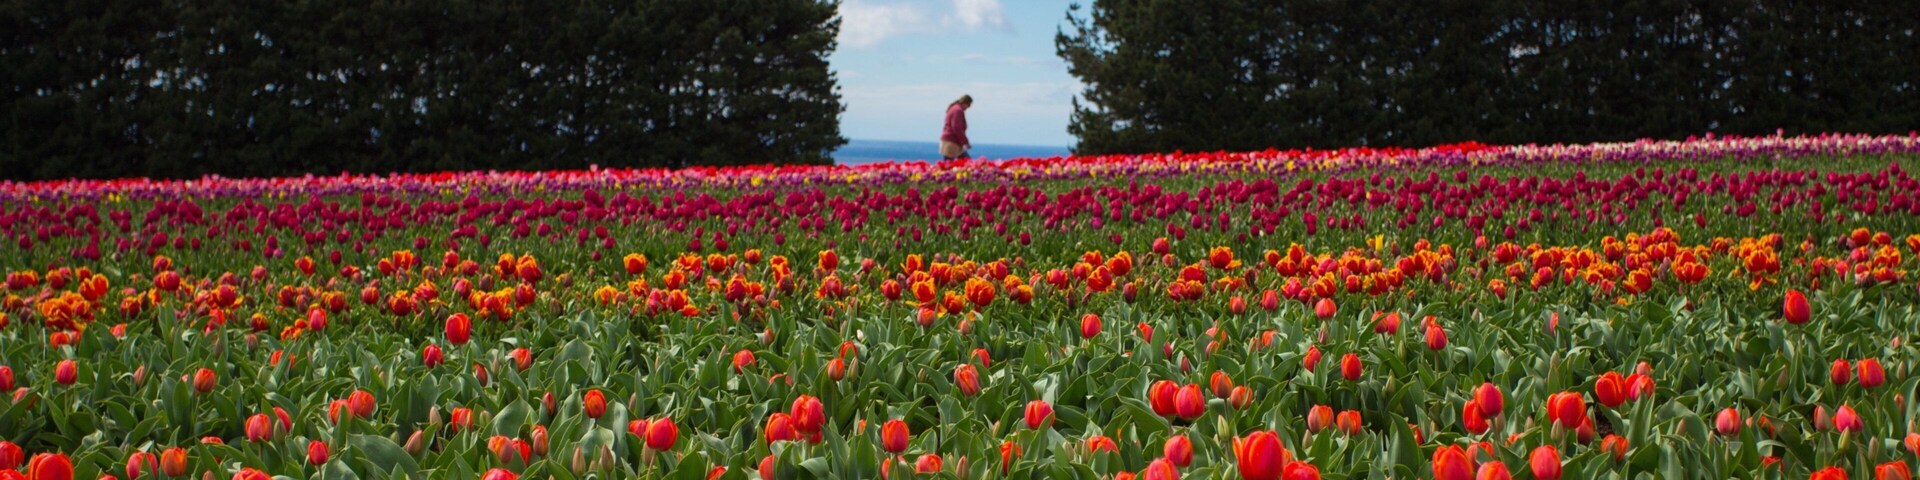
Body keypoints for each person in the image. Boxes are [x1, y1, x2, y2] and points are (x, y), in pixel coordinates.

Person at [939, 95, 972, 160]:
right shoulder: (958, 110)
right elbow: (956, 127)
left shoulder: (953, 108)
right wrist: (965, 142)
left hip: (952, 141)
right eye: (968, 106)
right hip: (952, 142)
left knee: (965, 161)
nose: (967, 109)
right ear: (965, 103)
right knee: (965, 161)